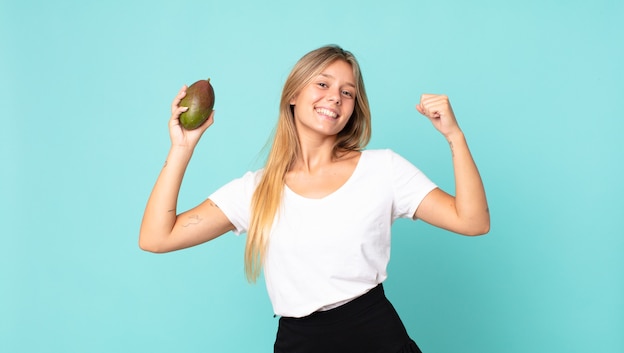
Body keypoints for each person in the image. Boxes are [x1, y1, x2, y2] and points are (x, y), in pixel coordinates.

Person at [139, 44, 490, 353]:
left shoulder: (384, 170)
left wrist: (454, 136)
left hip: (378, 338)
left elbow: (472, 221)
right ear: (293, 94)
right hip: (298, 344)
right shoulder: (257, 191)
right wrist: (182, 148)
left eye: (348, 92)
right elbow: (157, 237)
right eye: (322, 84)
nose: (335, 97)